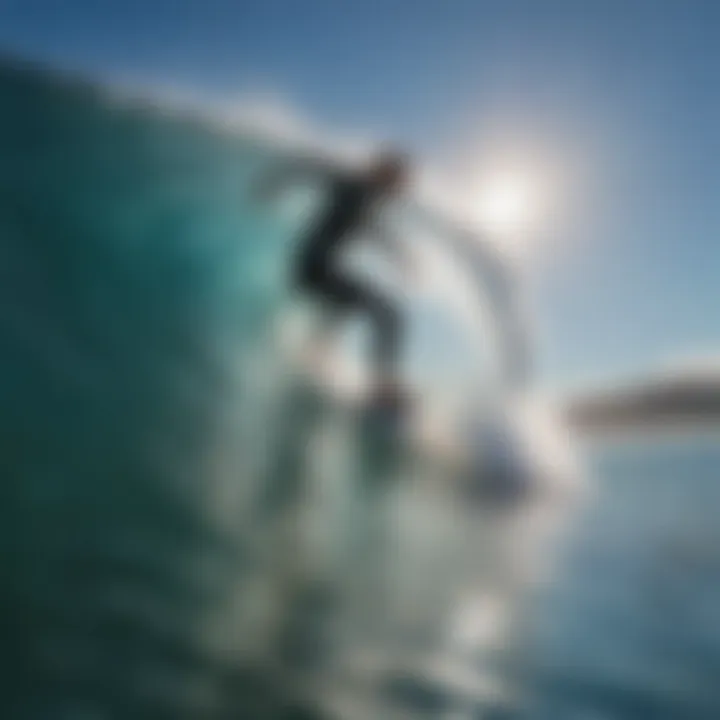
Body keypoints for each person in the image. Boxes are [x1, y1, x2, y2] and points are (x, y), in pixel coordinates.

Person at [255, 151, 412, 407]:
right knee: (387, 314)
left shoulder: (366, 199)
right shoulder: (350, 184)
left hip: (317, 269)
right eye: (395, 182)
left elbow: (373, 230)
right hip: (314, 268)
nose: (395, 191)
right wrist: (273, 182)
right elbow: (310, 168)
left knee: (348, 306)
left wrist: (399, 255)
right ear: (383, 174)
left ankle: (313, 355)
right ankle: (382, 388)